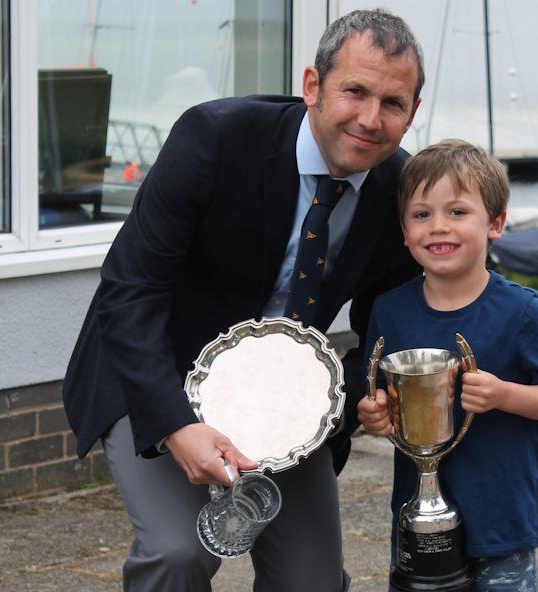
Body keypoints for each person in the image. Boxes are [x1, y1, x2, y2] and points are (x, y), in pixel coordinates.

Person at [62, 9, 425, 592]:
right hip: (161, 372)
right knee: (178, 554)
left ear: (411, 115)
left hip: (286, 400)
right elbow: (129, 291)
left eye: (392, 103)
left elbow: (392, 325)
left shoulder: (400, 190)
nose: (369, 118)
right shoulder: (215, 138)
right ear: (313, 86)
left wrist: (351, 396)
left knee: (311, 582)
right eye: (354, 91)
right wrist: (178, 426)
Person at [357, 140, 538, 591]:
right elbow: (377, 397)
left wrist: (504, 395)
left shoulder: (522, 311)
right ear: (403, 230)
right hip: (417, 519)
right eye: (421, 215)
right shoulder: (389, 311)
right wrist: (373, 415)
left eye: (457, 212)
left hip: (502, 520)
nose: (438, 227)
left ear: (495, 223)